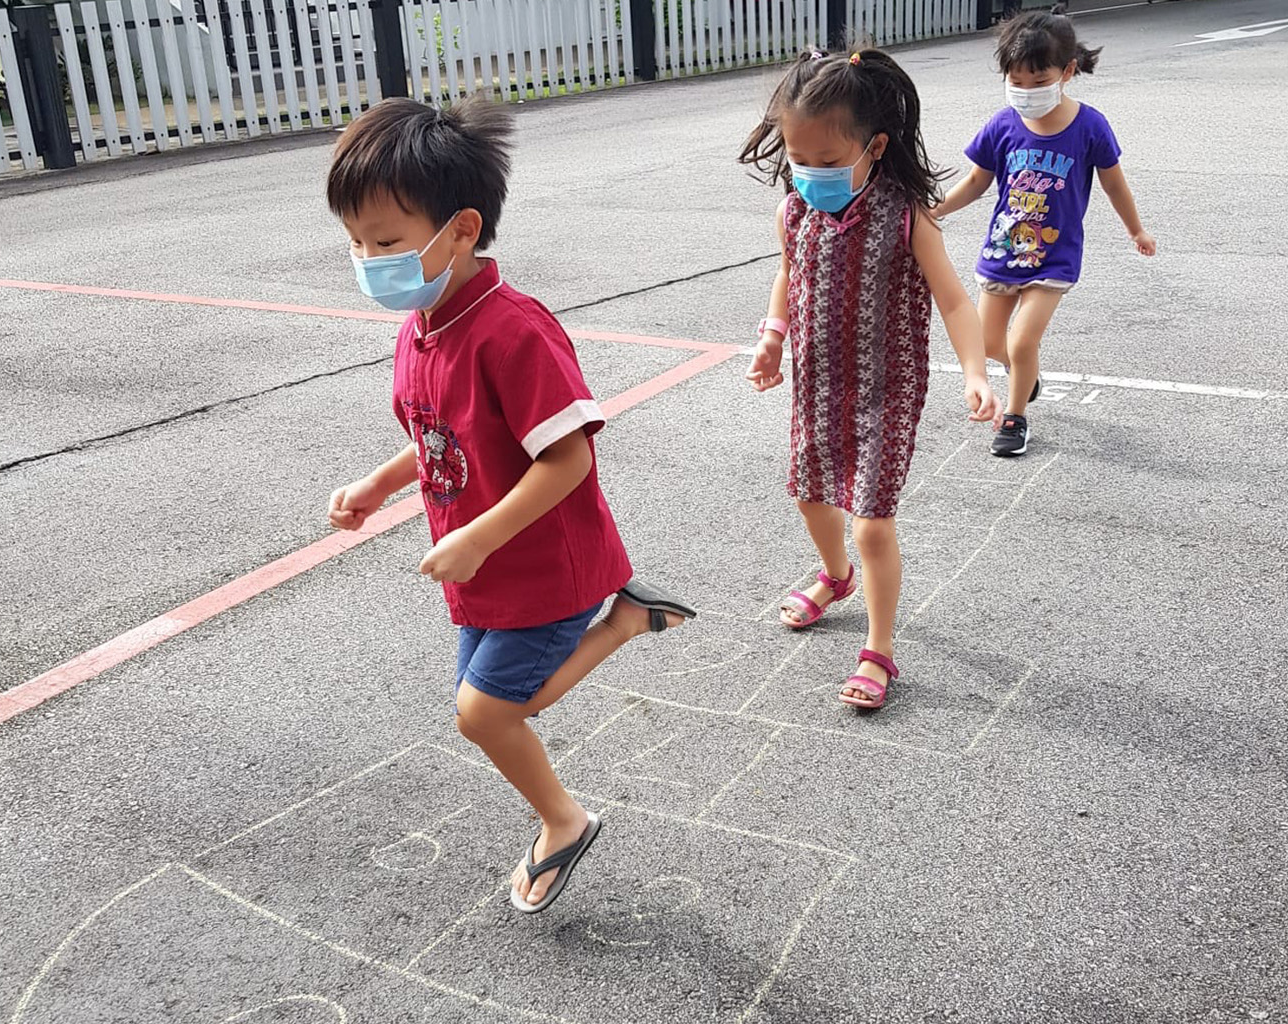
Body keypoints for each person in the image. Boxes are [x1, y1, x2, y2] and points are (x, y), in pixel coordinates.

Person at [324, 97, 695, 914]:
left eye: (385, 242)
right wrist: (379, 485)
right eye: (355, 242)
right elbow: (442, 438)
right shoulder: (425, 321)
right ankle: (630, 620)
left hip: (542, 564)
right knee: (502, 704)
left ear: (460, 229)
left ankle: (563, 822)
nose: (367, 259)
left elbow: (567, 460)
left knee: (484, 714)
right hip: (486, 568)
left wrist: (477, 539)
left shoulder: (511, 330)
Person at [740, 47, 999, 711]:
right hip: (818, 384)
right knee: (809, 494)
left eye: (826, 163)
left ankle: (879, 648)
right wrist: (773, 338)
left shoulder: (907, 214)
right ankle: (836, 577)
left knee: (873, 523)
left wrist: (975, 369)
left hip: (887, 392)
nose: (807, 175)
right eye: (797, 160)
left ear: (875, 146)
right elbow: (787, 277)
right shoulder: (793, 211)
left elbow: (954, 299)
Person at [933, 6, 1155, 457]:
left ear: (1067, 72)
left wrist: (1136, 231)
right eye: (1016, 81)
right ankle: (1026, 375)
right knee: (990, 341)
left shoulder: (1089, 126)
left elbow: (1114, 182)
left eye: (1038, 82)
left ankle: (1015, 418)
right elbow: (978, 181)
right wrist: (935, 209)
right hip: (1002, 252)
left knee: (1021, 340)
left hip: (1053, 257)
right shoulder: (1003, 124)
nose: (1026, 91)